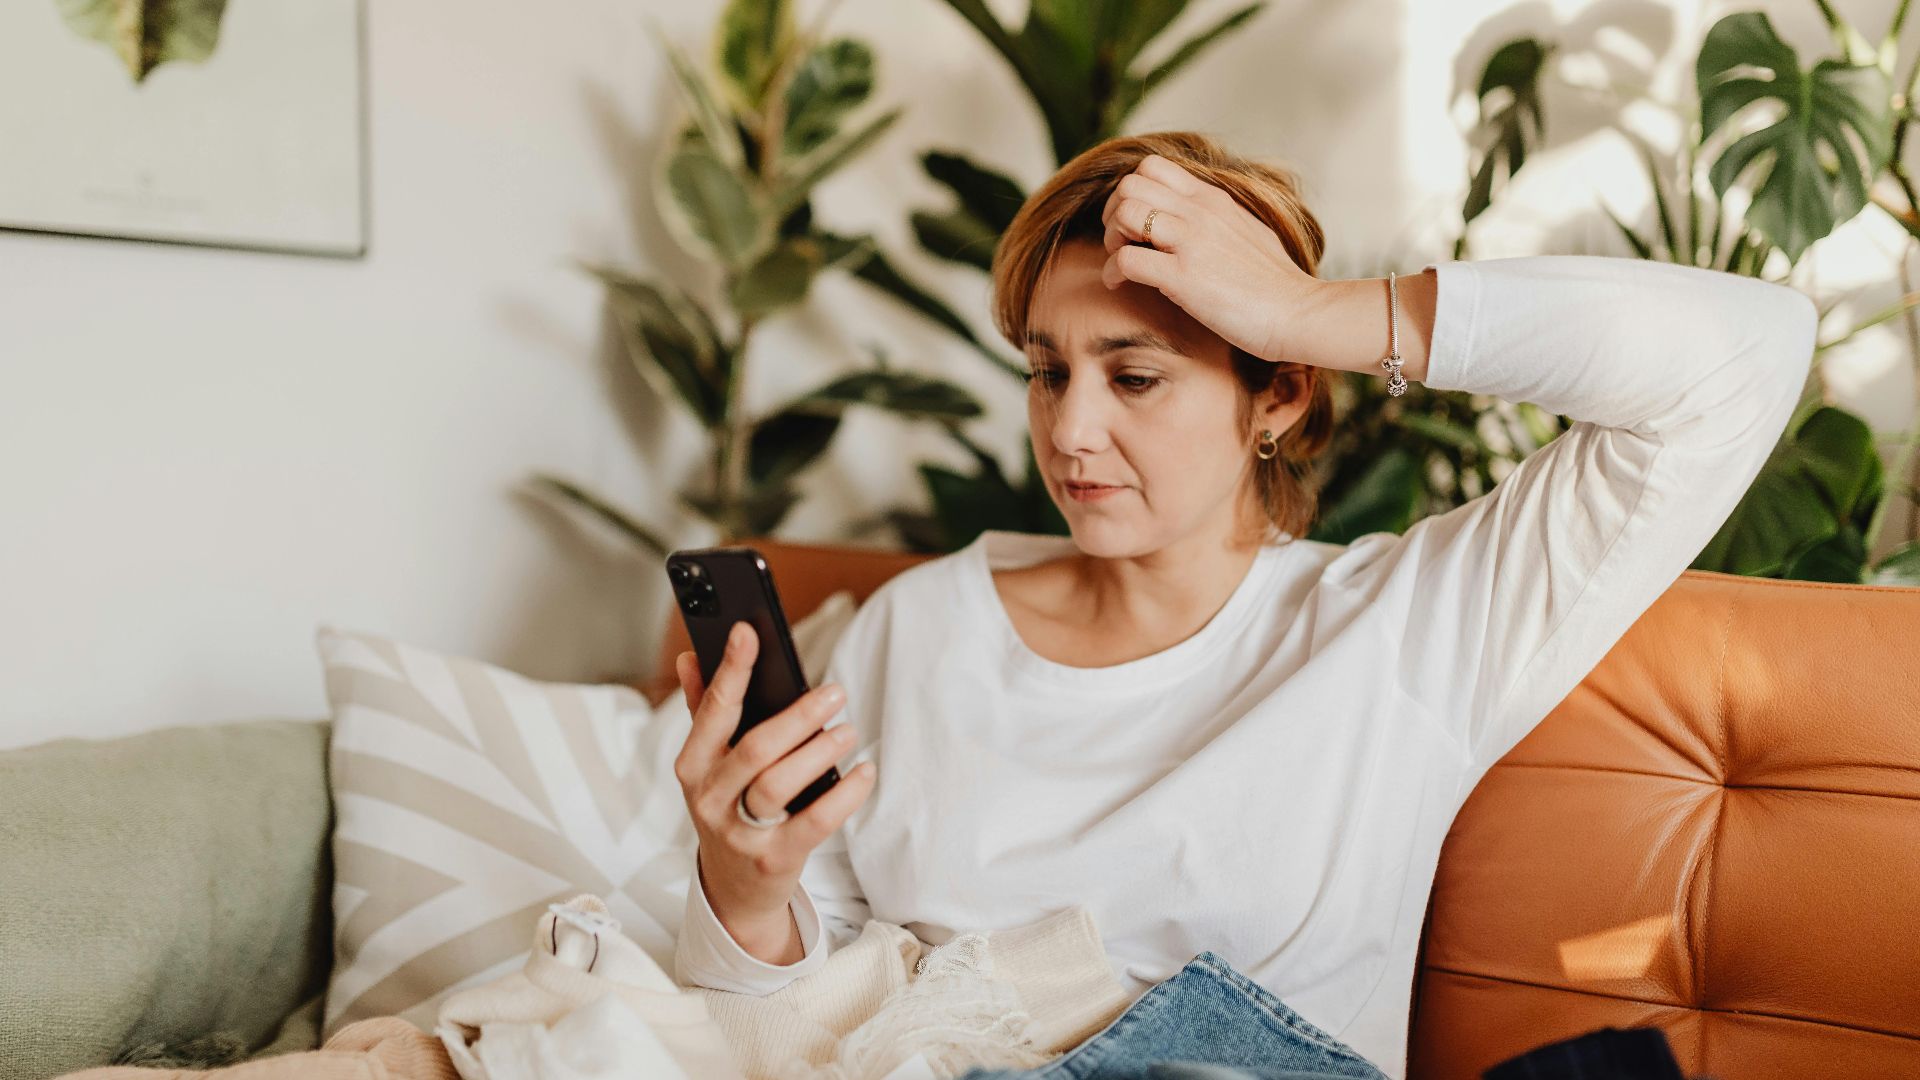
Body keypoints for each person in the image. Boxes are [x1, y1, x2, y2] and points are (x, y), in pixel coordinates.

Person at [665, 130, 1819, 1079]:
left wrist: (1312, 309)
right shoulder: (917, 628)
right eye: (1047, 369)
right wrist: (745, 886)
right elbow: (786, 1019)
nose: (1070, 430)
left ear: (1277, 391)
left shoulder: (1406, 628)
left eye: (1135, 376)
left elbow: (1747, 354)